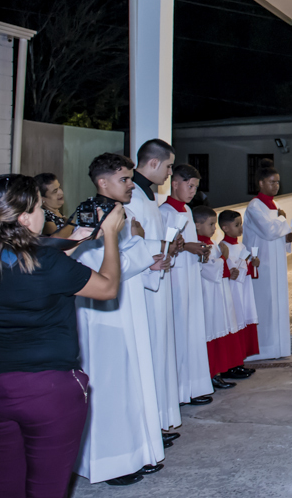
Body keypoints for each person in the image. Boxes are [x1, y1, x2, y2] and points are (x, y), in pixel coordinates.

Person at [0, 173, 124, 498]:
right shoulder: (47, 263)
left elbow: (28, 269)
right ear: (24, 217)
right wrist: (109, 236)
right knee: (46, 489)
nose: (44, 213)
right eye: (39, 207)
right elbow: (107, 287)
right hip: (43, 391)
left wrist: (74, 239)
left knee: (4, 487)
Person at [73, 152, 169, 485]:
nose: (130, 185)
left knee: (131, 379)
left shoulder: (117, 211)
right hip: (102, 314)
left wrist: (148, 262)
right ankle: (109, 462)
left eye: (130, 179)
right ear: (103, 182)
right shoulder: (90, 214)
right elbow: (95, 267)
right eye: (124, 180)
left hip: (127, 303)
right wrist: (144, 252)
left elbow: (125, 258)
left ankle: (135, 451)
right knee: (111, 383)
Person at [125, 139, 181, 433]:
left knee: (160, 349)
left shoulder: (146, 197)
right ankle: (150, 425)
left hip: (158, 278)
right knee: (150, 351)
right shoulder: (133, 198)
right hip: (143, 287)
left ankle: (158, 421)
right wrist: (160, 246)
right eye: (169, 166)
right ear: (154, 163)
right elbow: (128, 242)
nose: (171, 173)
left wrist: (168, 246)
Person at [158, 164, 216, 406]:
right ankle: (180, 391)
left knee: (192, 329)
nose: (192, 191)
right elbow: (164, 245)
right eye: (189, 186)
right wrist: (187, 247)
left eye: (195, 187)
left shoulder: (187, 211)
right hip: (175, 278)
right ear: (175, 184)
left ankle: (194, 385)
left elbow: (189, 242)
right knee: (179, 331)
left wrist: (198, 251)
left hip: (190, 275)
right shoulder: (164, 212)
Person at [243, 164, 292, 359]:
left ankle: (279, 347)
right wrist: (282, 222)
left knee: (277, 302)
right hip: (261, 262)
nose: (276, 186)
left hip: (277, 263)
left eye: (278, 182)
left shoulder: (276, 206)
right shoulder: (255, 206)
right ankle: (262, 349)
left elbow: (279, 233)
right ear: (261, 183)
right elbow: (268, 231)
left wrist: (287, 239)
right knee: (264, 304)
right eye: (272, 182)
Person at [193, 205, 242, 387]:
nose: (215, 228)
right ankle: (211, 374)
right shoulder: (198, 245)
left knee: (222, 327)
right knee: (212, 331)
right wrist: (223, 258)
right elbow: (209, 269)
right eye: (211, 224)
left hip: (219, 292)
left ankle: (221, 369)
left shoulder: (212, 243)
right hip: (208, 294)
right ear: (197, 225)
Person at [219, 209, 260, 369]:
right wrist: (232, 271)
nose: (241, 228)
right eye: (237, 225)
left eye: (241, 224)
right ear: (225, 228)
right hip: (234, 291)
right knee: (235, 321)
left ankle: (241, 360)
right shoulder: (223, 247)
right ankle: (234, 363)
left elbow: (248, 269)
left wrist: (253, 265)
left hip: (245, 290)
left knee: (244, 320)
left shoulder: (241, 245)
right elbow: (228, 271)